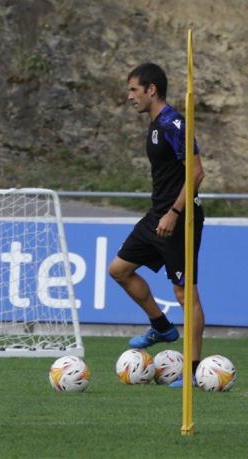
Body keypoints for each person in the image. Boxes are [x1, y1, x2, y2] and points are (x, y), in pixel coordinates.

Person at [108, 63, 205, 388]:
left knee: (184, 293)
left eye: (134, 89)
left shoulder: (174, 123)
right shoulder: (154, 125)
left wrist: (174, 213)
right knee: (119, 270)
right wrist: (162, 213)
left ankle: (192, 372)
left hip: (179, 217)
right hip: (157, 215)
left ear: (151, 90)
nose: (129, 96)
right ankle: (161, 327)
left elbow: (196, 173)